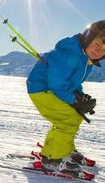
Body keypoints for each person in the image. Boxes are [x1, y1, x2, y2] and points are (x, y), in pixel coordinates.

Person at [27, 20, 105, 173]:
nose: (99, 51)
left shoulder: (85, 59)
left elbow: (73, 83)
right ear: (89, 37)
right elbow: (57, 83)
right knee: (67, 118)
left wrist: (81, 97)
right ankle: (52, 158)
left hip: (52, 89)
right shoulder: (71, 53)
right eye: (98, 44)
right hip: (42, 88)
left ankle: (64, 149)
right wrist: (74, 100)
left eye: (104, 49)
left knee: (75, 115)